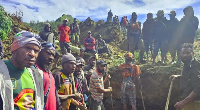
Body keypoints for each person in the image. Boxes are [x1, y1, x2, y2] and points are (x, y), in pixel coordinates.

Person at [0, 31, 44, 110]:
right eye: (28, 48)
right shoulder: (1, 72)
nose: (32, 54)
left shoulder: (36, 75)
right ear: (14, 49)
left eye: (36, 51)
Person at [170, 43, 200, 110]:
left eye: (188, 53)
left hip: (195, 103)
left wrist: (183, 103)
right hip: (190, 101)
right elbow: (191, 77)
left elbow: (198, 88)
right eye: (183, 53)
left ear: (193, 53)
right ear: (180, 53)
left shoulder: (193, 67)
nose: (185, 55)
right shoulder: (188, 63)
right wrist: (178, 76)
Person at [36, 42, 61, 110]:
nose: (51, 57)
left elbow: (55, 94)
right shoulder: (33, 71)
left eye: (53, 55)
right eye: (48, 53)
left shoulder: (49, 73)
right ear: (39, 52)